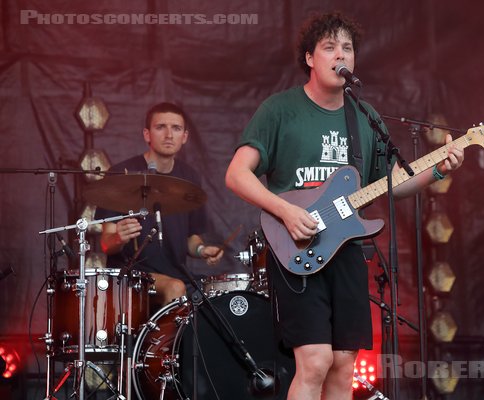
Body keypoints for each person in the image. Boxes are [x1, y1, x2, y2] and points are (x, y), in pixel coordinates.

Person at [225, 12, 464, 400]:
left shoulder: (364, 117)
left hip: (347, 250)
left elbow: (390, 185)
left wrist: (437, 169)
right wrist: (286, 211)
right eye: (330, 47)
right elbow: (237, 175)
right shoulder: (279, 110)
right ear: (309, 58)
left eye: (348, 48)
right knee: (315, 361)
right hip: (297, 247)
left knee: (342, 365)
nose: (341, 55)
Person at [96, 102, 224, 306]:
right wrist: (119, 237)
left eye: (176, 128)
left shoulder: (189, 178)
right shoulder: (122, 174)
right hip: (132, 277)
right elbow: (106, 244)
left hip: (178, 276)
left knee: (220, 296)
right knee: (175, 288)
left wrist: (201, 250)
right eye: (160, 127)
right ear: (147, 134)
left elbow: (191, 238)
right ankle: (166, 340)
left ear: (185, 137)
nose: (169, 135)